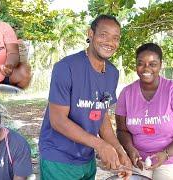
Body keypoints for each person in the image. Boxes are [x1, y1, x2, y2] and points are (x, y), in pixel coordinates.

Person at [38, 14, 132, 180]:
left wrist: (118, 150)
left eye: (115, 38)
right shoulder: (66, 68)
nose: (110, 42)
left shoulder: (112, 73)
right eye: (103, 35)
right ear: (91, 34)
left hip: (86, 159)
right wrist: (101, 146)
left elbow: (101, 117)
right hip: (59, 158)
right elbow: (58, 120)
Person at [115, 43, 173, 180]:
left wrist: (166, 154)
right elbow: (121, 130)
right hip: (139, 161)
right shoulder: (126, 93)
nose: (146, 68)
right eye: (141, 63)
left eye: (152, 64)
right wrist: (130, 149)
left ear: (160, 65)